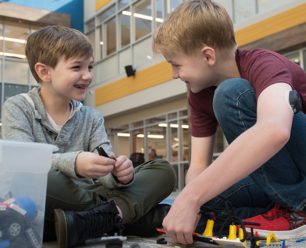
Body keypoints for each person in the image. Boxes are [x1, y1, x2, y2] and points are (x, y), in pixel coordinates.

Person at [2, 25, 176, 248]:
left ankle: (93, 219)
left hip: (87, 195)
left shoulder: (92, 117)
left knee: (163, 170)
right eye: (77, 67)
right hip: (40, 202)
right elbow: (21, 162)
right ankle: (119, 214)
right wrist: (75, 163)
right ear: (44, 72)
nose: (87, 75)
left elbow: (105, 166)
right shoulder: (17, 107)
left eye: (90, 67)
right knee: (38, 174)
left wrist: (119, 173)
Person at [152, 0, 306, 245]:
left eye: (176, 65)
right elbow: (199, 166)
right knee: (207, 201)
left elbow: (275, 130)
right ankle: (278, 213)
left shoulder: (263, 64)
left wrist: (190, 197)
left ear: (207, 55)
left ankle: (298, 210)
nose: (174, 74)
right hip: (285, 180)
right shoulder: (198, 95)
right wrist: (191, 205)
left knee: (231, 93)